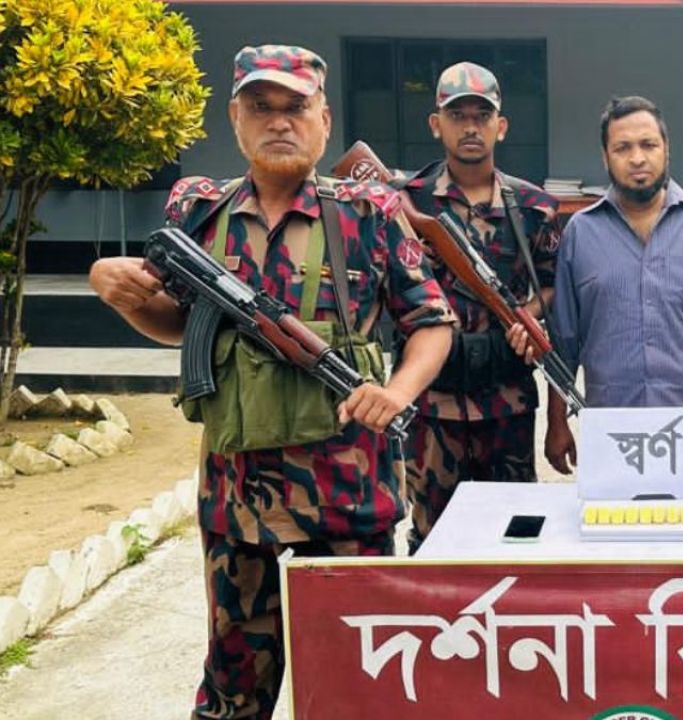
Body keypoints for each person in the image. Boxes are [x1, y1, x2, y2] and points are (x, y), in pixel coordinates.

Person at [87, 45, 455, 719]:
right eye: (261, 106)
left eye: (296, 107)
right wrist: (121, 293)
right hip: (236, 495)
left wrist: (397, 392)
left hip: (348, 493)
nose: (279, 121)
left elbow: (432, 322)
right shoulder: (198, 209)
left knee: (357, 687)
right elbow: (179, 325)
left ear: (324, 120)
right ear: (235, 118)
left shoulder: (369, 211)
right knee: (234, 689)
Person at [399, 61, 560, 552]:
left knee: (514, 535)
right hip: (433, 403)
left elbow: (553, 284)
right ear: (436, 124)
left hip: (506, 399)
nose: (470, 127)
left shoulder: (534, 207)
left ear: (500, 126)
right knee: (433, 538)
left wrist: (528, 315)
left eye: (482, 116)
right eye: (457, 115)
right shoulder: (404, 204)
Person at [545, 96, 683, 472]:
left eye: (648, 145)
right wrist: (556, 421)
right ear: (605, 157)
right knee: (610, 511)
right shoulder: (580, 233)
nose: (637, 158)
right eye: (622, 148)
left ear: (666, 149)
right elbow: (564, 340)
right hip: (610, 424)